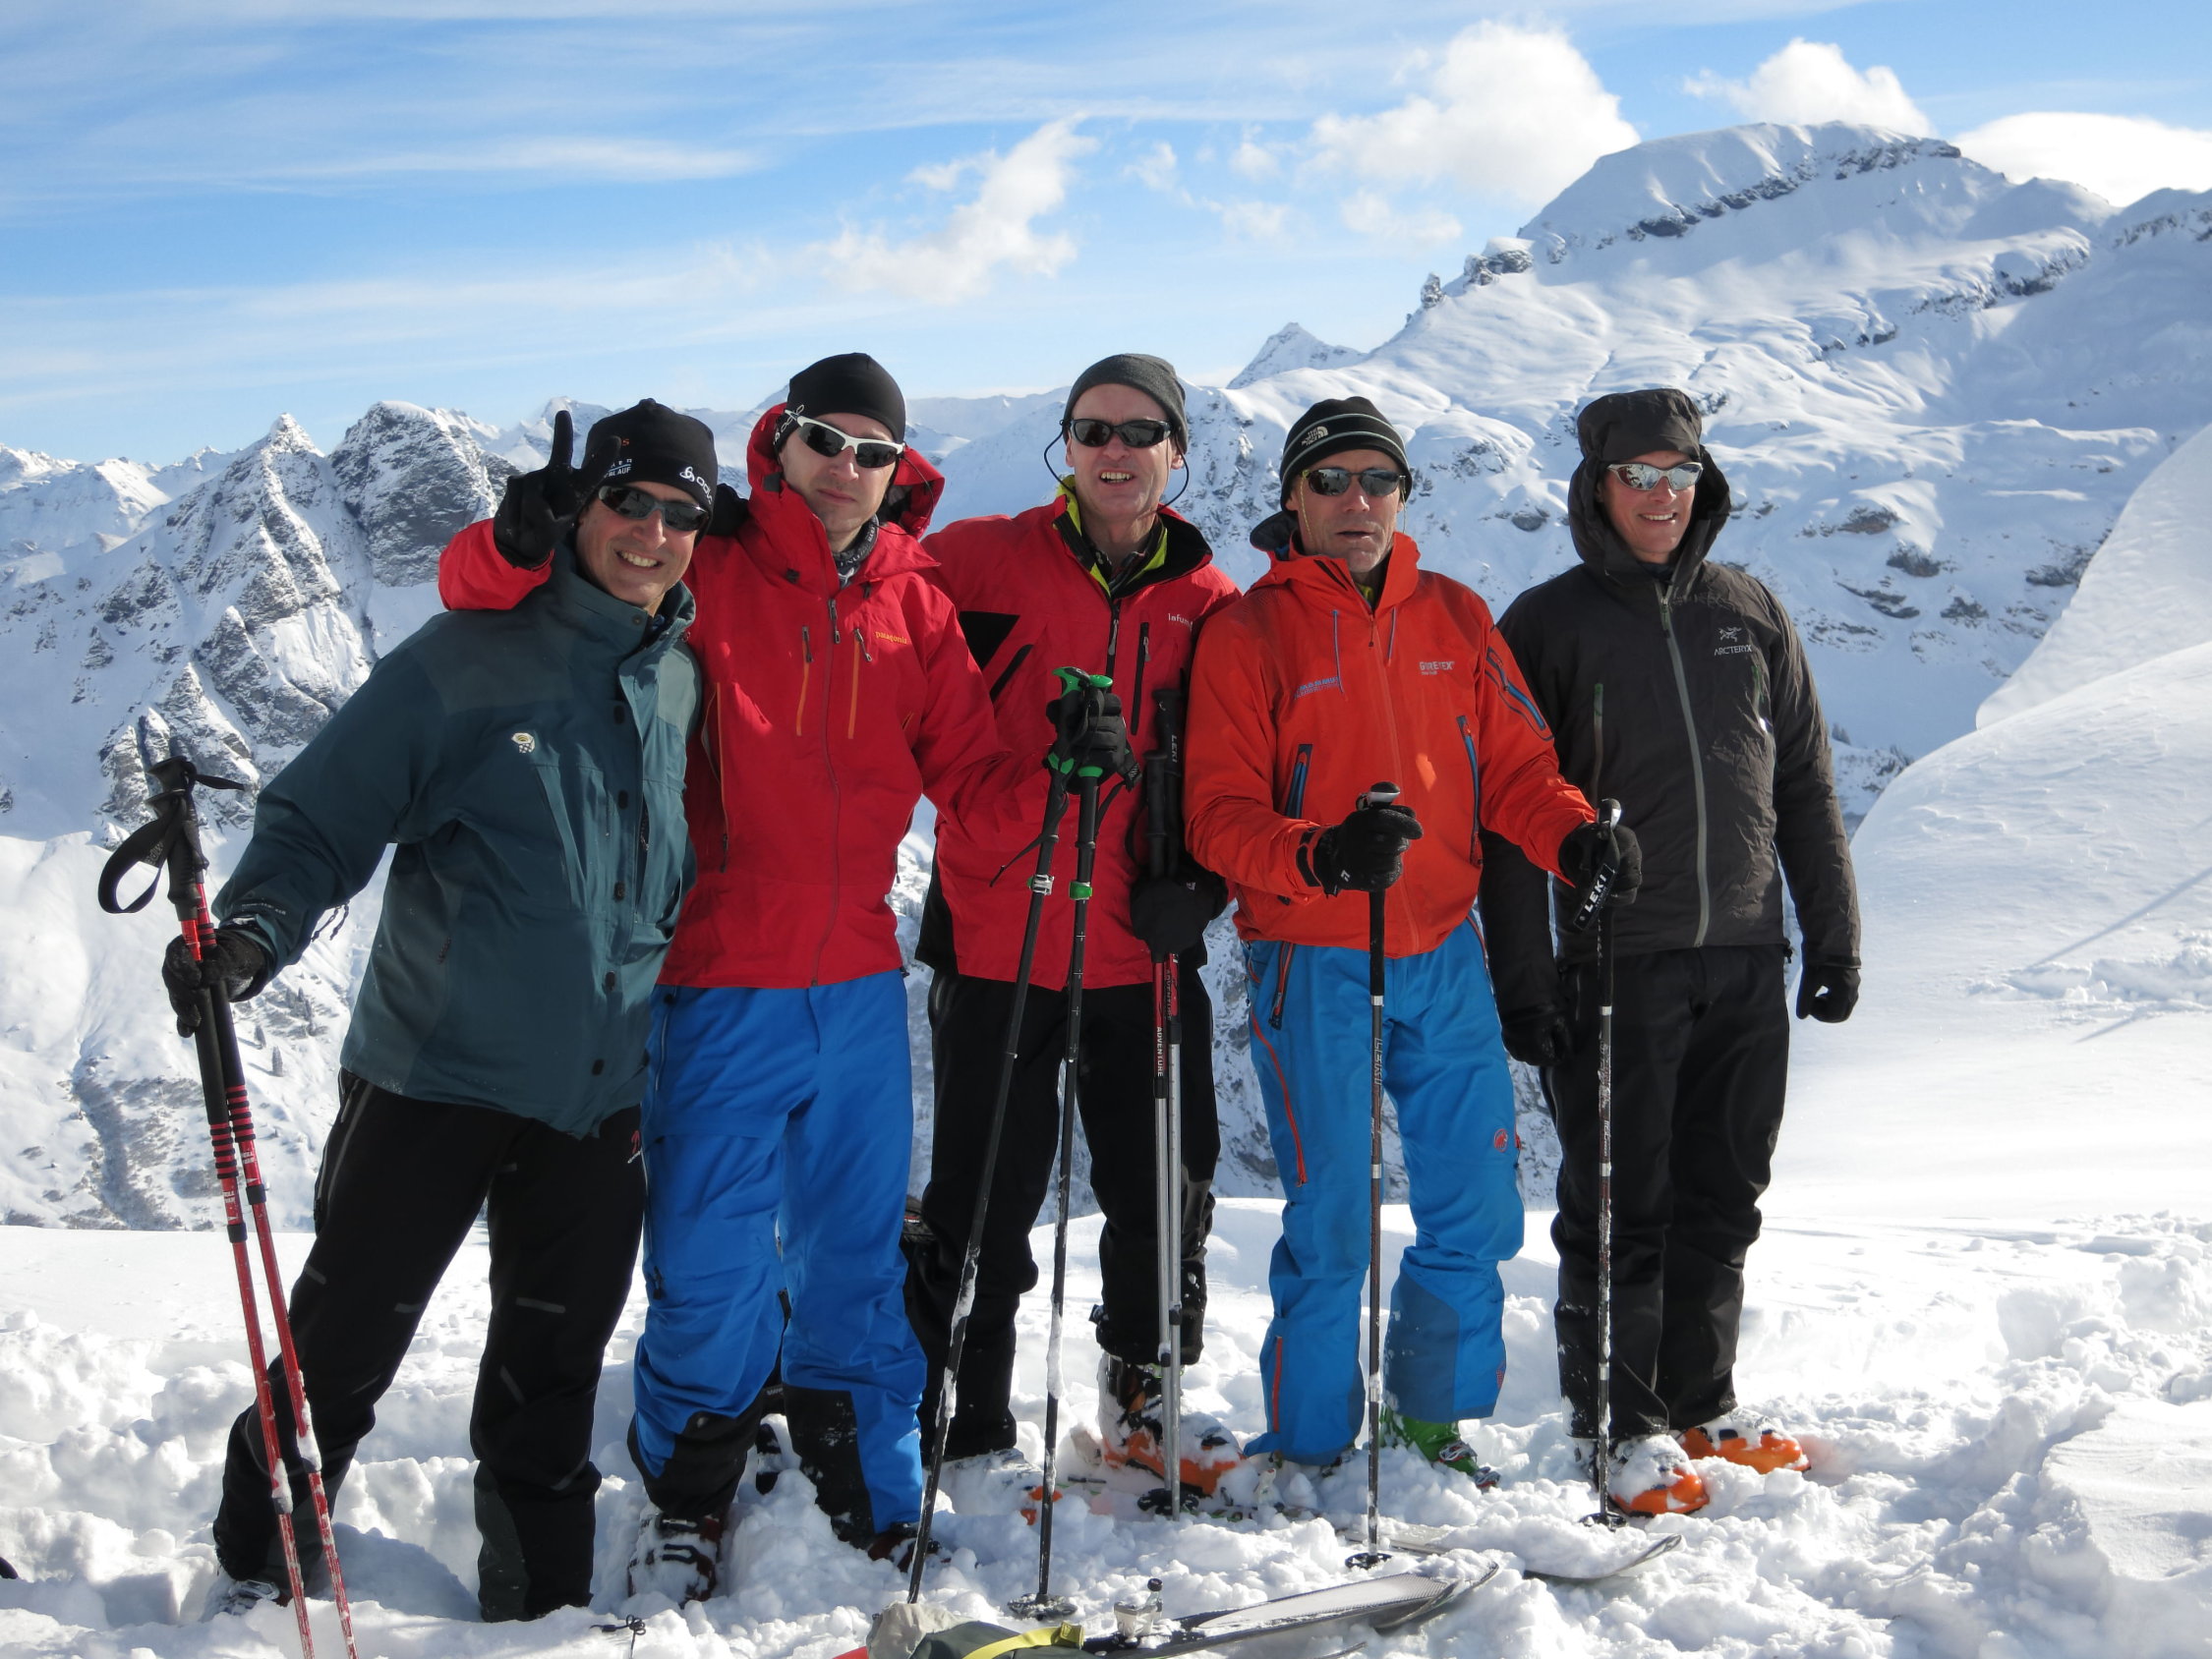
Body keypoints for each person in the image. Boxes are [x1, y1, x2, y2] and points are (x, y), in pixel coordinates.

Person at [438, 357, 1031, 1597]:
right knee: (709, 1260)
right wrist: (513, 541)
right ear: (781, 440)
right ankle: (686, 1492)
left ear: (898, 470)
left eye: (873, 452)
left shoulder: (913, 600)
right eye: (826, 440)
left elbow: (975, 785)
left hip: (859, 983)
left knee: (857, 1253)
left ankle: (870, 1480)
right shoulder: (705, 556)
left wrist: (1066, 772)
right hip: (716, 972)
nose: (846, 468)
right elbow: (489, 598)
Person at [168, 399, 710, 1621]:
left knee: (551, 1374)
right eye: (629, 501)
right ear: (578, 508)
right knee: (343, 1346)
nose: (653, 532)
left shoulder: (676, 674)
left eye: (681, 514)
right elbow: (323, 814)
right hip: (434, 1076)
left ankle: (541, 1610)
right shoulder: (463, 660)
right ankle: (255, 1573)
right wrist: (250, 934)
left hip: (598, 1094)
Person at [1182, 396, 1627, 1482]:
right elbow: (1216, 815)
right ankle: (1310, 1446)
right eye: (1331, 480)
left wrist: (1573, 838)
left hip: (1442, 945)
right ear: (1294, 499)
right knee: (1333, 1217)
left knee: (1475, 1203)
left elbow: (1517, 768)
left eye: (1379, 480)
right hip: (1311, 952)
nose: (1358, 500)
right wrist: (1322, 854)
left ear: (1403, 497)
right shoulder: (1247, 632)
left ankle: (1431, 1423)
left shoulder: (1455, 616)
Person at [1478, 387, 1860, 1516]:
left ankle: (1701, 1402)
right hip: (1616, 965)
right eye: (1637, 475)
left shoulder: (1749, 609)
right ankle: (1617, 1425)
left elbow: (1803, 780)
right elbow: (1505, 817)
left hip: (1744, 952)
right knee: (1619, 1207)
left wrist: (1832, 931)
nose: (1660, 495)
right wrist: (1526, 978)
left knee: (1723, 1195)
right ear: (1597, 486)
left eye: (1679, 474)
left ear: (1705, 483)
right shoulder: (1545, 624)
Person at [906, 354, 1244, 1498]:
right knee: (984, 1192)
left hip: (1143, 941)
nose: (1115, 449)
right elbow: (865, 603)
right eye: (1093, 429)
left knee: (1165, 1187)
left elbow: (1236, 771)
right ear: (1065, 445)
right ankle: (965, 1409)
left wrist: (1206, 883)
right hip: (996, 930)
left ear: (1175, 452)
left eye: (1140, 431)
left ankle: (1145, 1396)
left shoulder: (1211, 603)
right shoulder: (976, 561)